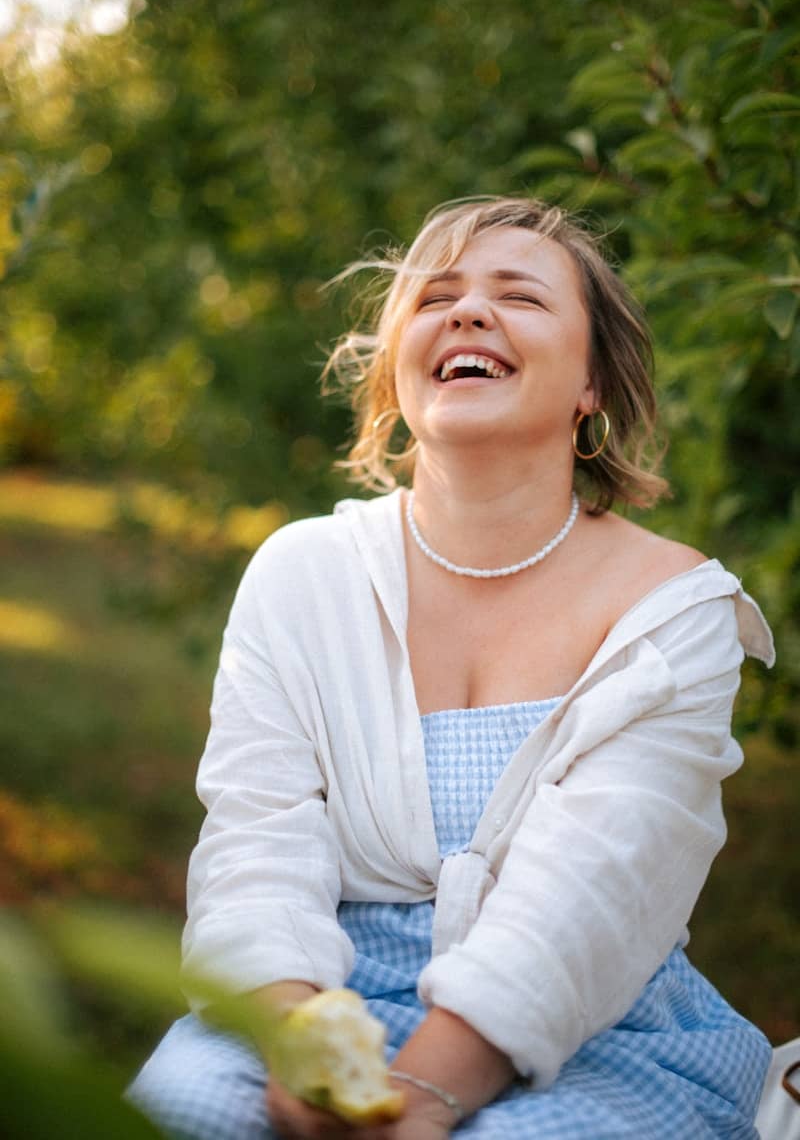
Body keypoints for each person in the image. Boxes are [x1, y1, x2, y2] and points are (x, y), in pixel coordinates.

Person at [128, 196, 775, 1139]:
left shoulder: (673, 610)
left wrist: (427, 1092)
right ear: (398, 367)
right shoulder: (301, 575)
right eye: (437, 297)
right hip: (310, 1001)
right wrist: (299, 1049)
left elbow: (596, 892)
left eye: (518, 295)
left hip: (593, 1029)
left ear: (592, 379)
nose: (467, 313)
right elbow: (255, 847)